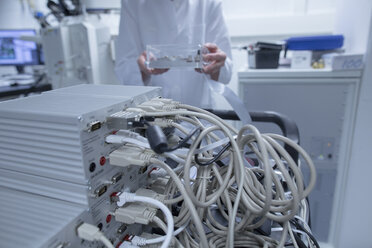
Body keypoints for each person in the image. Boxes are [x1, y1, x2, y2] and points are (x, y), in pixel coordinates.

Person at [115, 0, 233, 108]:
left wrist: (215, 65)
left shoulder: (209, 3)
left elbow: (226, 73)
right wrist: (141, 69)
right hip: (152, 113)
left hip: (200, 112)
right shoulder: (132, 4)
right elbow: (124, 69)